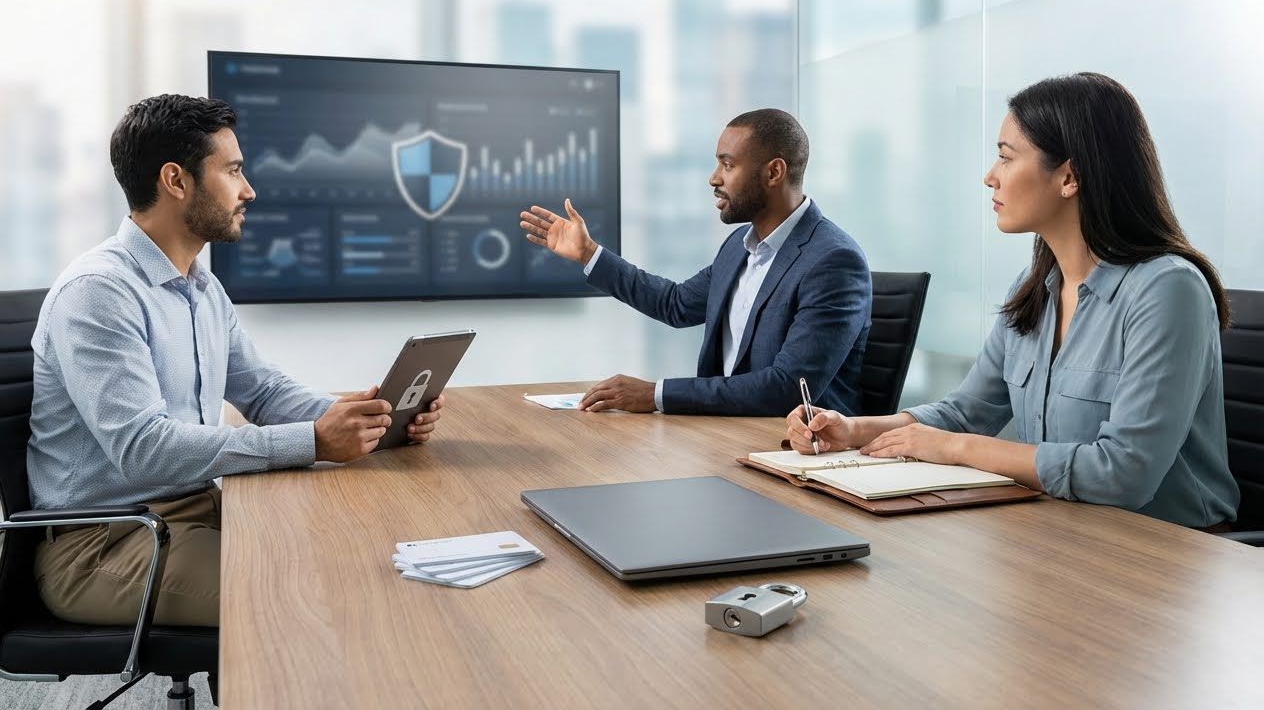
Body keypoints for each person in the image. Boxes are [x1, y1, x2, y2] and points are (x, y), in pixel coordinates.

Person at [27, 95, 446, 628]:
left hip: (197, 512)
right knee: (315, 599)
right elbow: (142, 450)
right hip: (107, 545)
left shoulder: (202, 287)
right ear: (176, 181)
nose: (249, 190)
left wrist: (374, 416)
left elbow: (264, 392)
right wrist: (314, 440)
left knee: (364, 552)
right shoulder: (98, 293)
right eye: (233, 171)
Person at [785, 73, 1238, 528]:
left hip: (1169, 552)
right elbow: (965, 412)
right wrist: (852, 430)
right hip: (1062, 532)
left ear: (1069, 176)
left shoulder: (1167, 290)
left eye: (1005, 158)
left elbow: (1123, 474)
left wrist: (959, 449)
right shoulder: (1034, 287)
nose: (990, 177)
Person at [520, 108, 871, 416]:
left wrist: (655, 394)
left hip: (792, 454)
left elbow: (786, 390)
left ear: (774, 172)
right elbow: (675, 305)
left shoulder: (834, 261)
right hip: (726, 436)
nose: (714, 178)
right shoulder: (739, 246)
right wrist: (588, 253)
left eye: (728, 164)